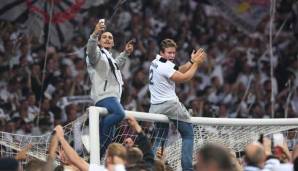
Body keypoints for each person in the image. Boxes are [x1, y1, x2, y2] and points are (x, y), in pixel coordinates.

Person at [148, 38, 206, 171]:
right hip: (170, 105)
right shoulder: (165, 66)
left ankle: (151, 166)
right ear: (162, 52)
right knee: (188, 134)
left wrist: (191, 62)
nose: (172, 56)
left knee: (160, 137)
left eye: (174, 53)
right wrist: (196, 64)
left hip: (155, 107)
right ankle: (187, 169)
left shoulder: (155, 62)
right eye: (169, 53)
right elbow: (184, 78)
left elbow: (178, 70)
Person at [86, 19, 134, 156]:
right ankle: (100, 130)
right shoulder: (96, 55)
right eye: (104, 37)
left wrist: (125, 53)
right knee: (120, 114)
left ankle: (96, 159)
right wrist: (95, 34)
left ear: (113, 43)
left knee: (109, 140)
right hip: (104, 97)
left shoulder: (109, 58)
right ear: (99, 41)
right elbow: (90, 50)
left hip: (113, 98)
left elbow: (116, 65)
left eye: (110, 38)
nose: (107, 39)